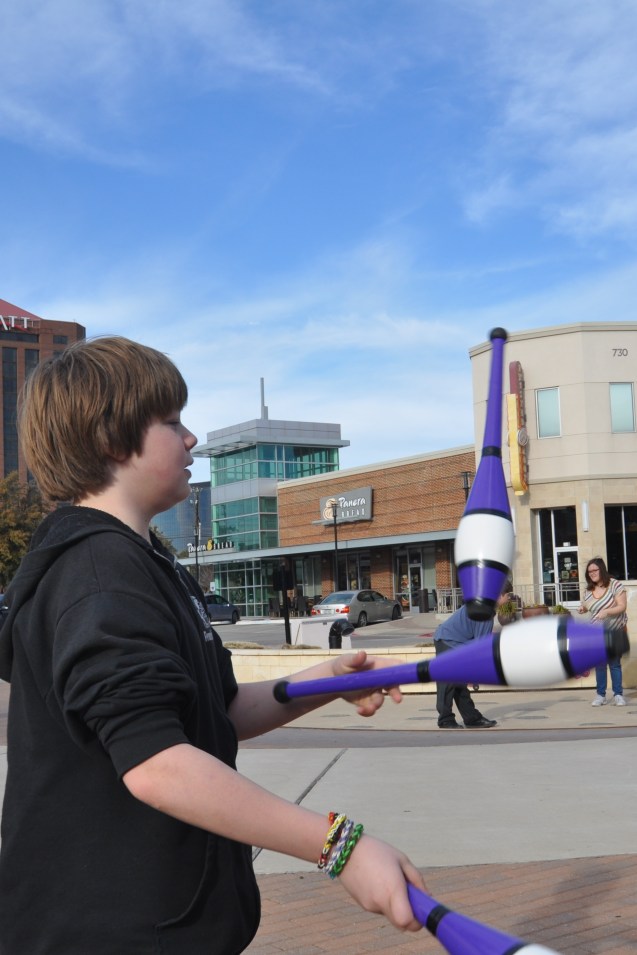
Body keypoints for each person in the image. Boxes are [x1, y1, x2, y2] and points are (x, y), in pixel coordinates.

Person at [0, 337, 426, 955]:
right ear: (112, 438)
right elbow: (158, 764)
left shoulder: (147, 565)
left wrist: (331, 679)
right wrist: (341, 847)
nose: (191, 438)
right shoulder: (98, 574)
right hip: (106, 933)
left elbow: (220, 711)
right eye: (172, 422)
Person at [433, 587, 512, 729]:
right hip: (447, 640)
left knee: (458, 683)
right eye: (508, 595)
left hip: (456, 642)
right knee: (447, 682)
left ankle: (472, 718)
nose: (509, 598)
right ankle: (445, 720)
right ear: (499, 595)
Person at [578, 557, 628, 707]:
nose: (592, 573)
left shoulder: (614, 585)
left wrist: (607, 611)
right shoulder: (588, 590)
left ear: (602, 569)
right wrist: (583, 608)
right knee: (600, 665)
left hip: (615, 630)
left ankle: (618, 695)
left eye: (595, 570)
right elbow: (588, 605)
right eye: (589, 571)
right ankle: (601, 695)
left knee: (614, 664)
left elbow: (622, 606)